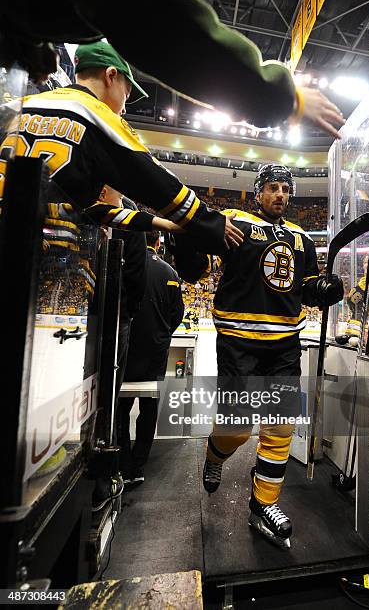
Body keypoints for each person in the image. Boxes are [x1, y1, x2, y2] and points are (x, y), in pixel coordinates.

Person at [170, 165, 343, 548]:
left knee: (281, 426)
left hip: (284, 343)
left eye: (285, 189)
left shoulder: (300, 236)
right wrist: (185, 240)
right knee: (238, 427)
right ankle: (216, 456)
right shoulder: (234, 223)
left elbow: (308, 287)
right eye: (273, 188)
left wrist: (325, 289)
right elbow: (198, 270)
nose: (280, 194)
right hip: (239, 342)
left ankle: (264, 503)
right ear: (258, 191)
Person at [0, 41, 243, 253]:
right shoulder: (97, 115)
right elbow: (155, 180)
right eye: (126, 93)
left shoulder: (19, 104)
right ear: (111, 75)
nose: (124, 108)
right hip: (35, 248)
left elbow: (93, 210)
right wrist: (209, 222)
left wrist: (165, 224)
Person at [1, 0, 344, 140]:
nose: (125, 101)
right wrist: (278, 96)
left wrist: (30, 41)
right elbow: (166, 27)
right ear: (111, 75)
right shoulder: (92, 116)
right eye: (129, 90)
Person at [117, 230, 184, 485]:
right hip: (155, 351)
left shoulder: (126, 266)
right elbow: (178, 312)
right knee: (149, 409)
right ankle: (138, 466)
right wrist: (163, 334)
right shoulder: (169, 272)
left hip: (127, 349)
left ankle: (122, 464)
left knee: (121, 407)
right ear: (158, 242)